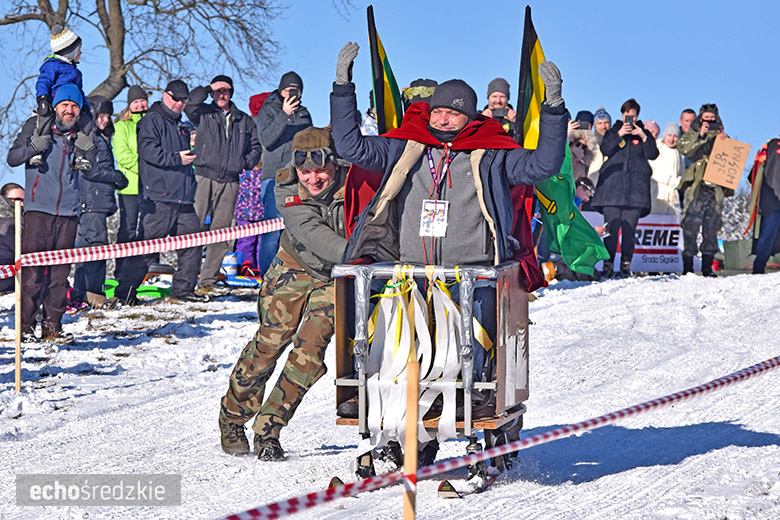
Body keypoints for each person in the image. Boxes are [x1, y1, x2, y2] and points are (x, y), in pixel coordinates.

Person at [330, 42, 566, 463]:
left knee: (471, 361)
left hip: (472, 278)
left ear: (468, 116)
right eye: (439, 110)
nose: (442, 117)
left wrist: (553, 108)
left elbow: (543, 165)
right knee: (408, 358)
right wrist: (342, 87)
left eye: (453, 112)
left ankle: (489, 431)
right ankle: (412, 435)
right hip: (410, 275)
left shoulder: (493, 153)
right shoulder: (405, 146)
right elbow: (350, 148)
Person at [219, 127, 349, 461]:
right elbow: (313, 234)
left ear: (335, 163)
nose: (314, 179)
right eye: (306, 171)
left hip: (334, 278)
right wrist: (358, 254)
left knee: (309, 355)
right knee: (268, 346)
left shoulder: (354, 182)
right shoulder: (286, 186)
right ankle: (233, 417)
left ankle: (269, 430)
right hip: (294, 268)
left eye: (321, 170)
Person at [7, 83, 122, 342]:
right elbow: (13, 158)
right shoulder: (34, 125)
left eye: (74, 106)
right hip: (38, 210)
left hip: (69, 213)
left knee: (60, 275)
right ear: (55, 107)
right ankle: (25, 327)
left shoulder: (81, 134)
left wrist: (89, 149)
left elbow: (91, 172)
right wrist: (34, 146)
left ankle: (52, 327)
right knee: (33, 274)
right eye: (64, 105)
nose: (69, 110)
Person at [114, 80, 205, 303]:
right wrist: (177, 158)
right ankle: (125, 292)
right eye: (176, 99)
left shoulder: (181, 125)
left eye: (184, 101)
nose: (180, 104)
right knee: (147, 249)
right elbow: (148, 152)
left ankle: (183, 291)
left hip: (183, 198)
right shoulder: (151, 121)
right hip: (159, 198)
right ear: (165, 95)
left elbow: (185, 155)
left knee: (192, 244)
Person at [185, 75, 262, 290]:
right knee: (195, 228)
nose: (221, 94)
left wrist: (244, 163)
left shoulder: (244, 119)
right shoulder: (203, 113)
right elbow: (190, 103)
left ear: (231, 93)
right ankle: (187, 279)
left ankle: (208, 280)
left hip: (231, 180)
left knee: (221, 233)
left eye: (225, 90)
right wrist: (209, 87)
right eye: (217, 91)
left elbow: (256, 146)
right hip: (203, 176)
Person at [591, 98, 659, 278]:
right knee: (611, 230)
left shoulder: (642, 133)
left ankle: (625, 266)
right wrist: (620, 133)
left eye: (633, 117)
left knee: (629, 231)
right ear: (622, 115)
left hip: (636, 193)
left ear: (638, 117)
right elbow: (605, 149)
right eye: (627, 116)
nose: (630, 120)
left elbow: (653, 154)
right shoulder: (614, 131)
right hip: (612, 191)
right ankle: (608, 264)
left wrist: (644, 136)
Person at [255, 71, 313, 276]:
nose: (293, 93)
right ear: (281, 90)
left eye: (297, 90)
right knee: (272, 229)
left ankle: (292, 272)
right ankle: (266, 275)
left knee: (296, 228)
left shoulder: (304, 113)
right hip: (274, 176)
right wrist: (284, 114)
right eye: (289, 89)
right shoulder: (269, 110)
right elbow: (267, 140)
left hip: (300, 176)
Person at [73, 96, 128, 307]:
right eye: (100, 116)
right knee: (96, 248)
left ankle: (83, 294)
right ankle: (96, 296)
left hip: (93, 201)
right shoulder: (89, 138)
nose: (104, 120)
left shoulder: (99, 137)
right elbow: (91, 170)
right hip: (92, 201)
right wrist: (117, 177)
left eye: (107, 116)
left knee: (86, 250)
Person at [677, 103, 731, 276]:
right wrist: (700, 135)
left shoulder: (722, 136)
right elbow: (684, 148)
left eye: (712, 118)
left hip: (715, 186)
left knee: (711, 226)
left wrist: (725, 142)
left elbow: (731, 158)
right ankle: (688, 266)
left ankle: (707, 266)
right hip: (696, 185)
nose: (708, 121)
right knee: (691, 225)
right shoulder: (692, 134)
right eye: (705, 118)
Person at [30, 25, 94, 170]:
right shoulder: (53, 65)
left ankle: (80, 153)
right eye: (79, 50)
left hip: (73, 103)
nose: (81, 53)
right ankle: (37, 150)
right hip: (54, 103)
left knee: (86, 125)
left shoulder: (77, 72)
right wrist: (42, 98)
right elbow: (43, 82)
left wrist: (85, 106)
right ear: (70, 52)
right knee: (42, 122)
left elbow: (79, 91)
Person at [113, 85, 148, 276]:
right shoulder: (122, 126)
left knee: (149, 228)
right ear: (129, 105)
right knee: (128, 228)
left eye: (143, 100)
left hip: (152, 186)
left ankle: (146, 270)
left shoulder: (154, 122)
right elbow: (123, 155)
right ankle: (121, 270)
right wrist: (147, 168)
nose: (140, 104)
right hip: (130, 186)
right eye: (136, 101)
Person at [751, 137, 780, 274]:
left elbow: (754, 173)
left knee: (768, 234)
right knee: (768, 234)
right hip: (772, 199)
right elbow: (755, 173)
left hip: (770, 199)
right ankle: (759, 266)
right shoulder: (769, 146)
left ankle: (759, 266)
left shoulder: (769, 146)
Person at [649, 122, 684, 215]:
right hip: (657, 193)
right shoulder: (657, 148)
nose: (672, 139)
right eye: (669, 135)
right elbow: (651, 171)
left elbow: (681, 172)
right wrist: (670, 180)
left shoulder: (680, 154)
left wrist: (680, 181)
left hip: (673, 195)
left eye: (675, 136)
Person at [0, 184, 24, 293]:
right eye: (17, 200)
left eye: (24, 200)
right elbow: (25, 251)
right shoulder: (8, 224)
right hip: (7, 278)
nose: (22, 204)